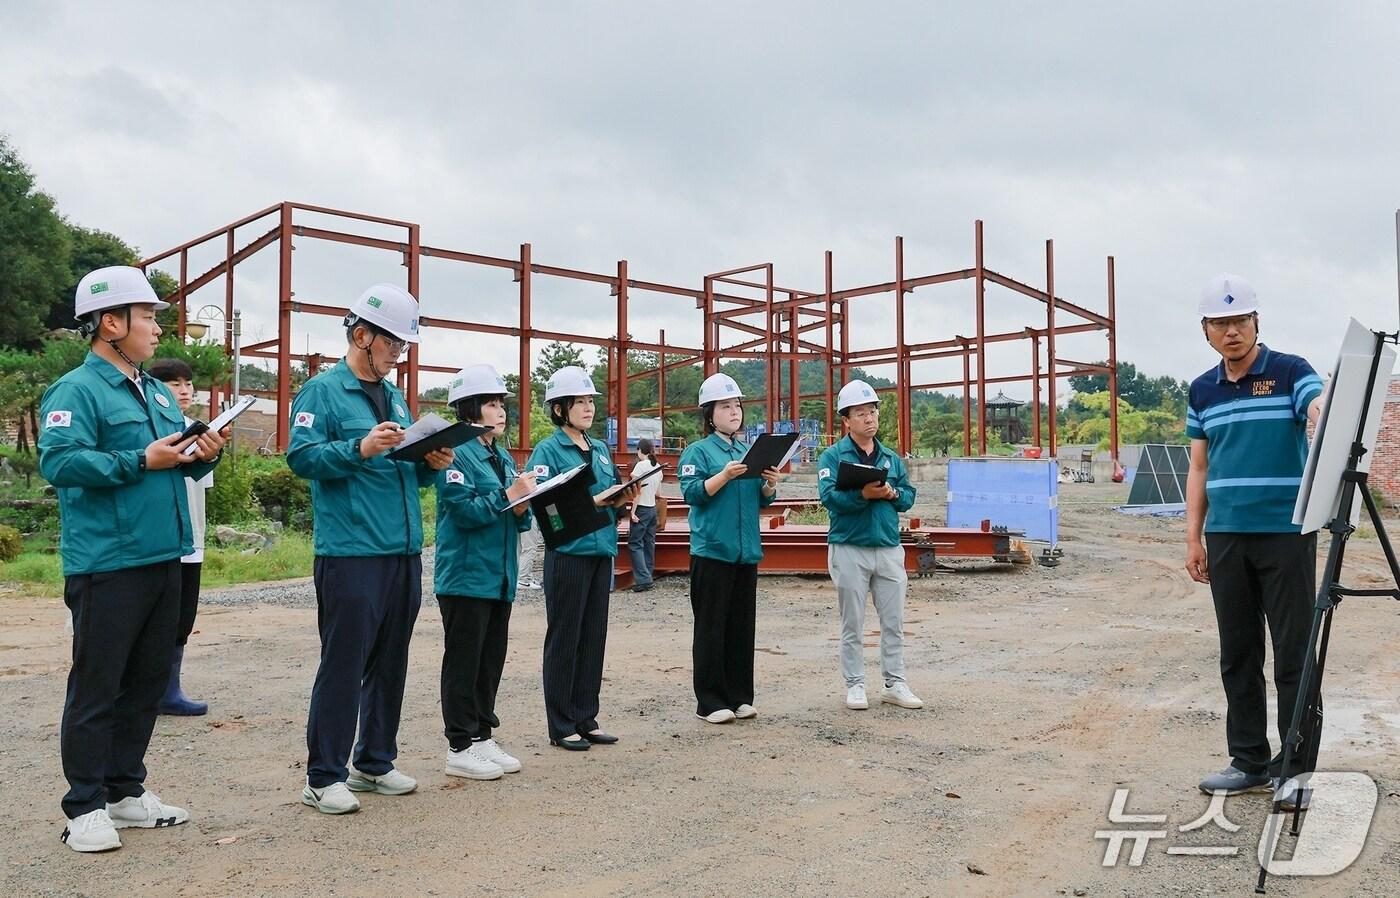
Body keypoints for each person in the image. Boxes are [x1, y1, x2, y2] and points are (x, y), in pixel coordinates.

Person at [40, 266, 227, 852]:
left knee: (146, 681)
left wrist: (201, 454)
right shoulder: (76, 390)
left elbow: (172, 459)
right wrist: (138, 462)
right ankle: (85, 807)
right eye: (146, 316)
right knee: (98, 685)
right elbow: (61, 464)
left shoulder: (150, 389)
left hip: (163, 556)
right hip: (107, 562)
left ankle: (125, 791)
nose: (154, 327)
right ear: (110, 322)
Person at [286, 284, 454, 815]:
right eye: (394, 344)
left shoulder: (396, 395)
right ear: (362, 335)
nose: (399, 354)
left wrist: (428, 464)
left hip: (401, 550)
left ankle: (375, 762)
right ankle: (323, 775)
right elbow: (302, 458)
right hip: (351, 550)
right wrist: (356, 448)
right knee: (344, 663)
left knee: (390, 661)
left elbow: (399, 470)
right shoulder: (321, 392)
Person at [1184, 274, 1325, 811]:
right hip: (1225, 537)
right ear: (1206, 331)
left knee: (1294, 652)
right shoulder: (1201, 389)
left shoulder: (1290, 371)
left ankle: (1294, 771)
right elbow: (1199, 466)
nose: (1232, 331)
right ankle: (1247, 761)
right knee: (1238, 653)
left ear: (1256, 322)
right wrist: (1192, 537)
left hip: (1285, 534)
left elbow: (1315, 404)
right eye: (1221, 323)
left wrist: (1319, 411)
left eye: (1241, 320)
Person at [525, 366, 638, 751]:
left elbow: (608, 498)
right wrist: (593, 502)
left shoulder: (601, 450)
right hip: (569, 553)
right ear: (559, 409)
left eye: (591, 401)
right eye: (580, 402)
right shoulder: (548, 450)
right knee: (565, 636)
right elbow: (543, 506)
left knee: (593, 637)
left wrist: (623, 500)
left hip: (600, 551)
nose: (588, 408)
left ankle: (586, 716)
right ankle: (561, 724)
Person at [434, 364, 537, 780]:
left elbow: (512, 519)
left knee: (490, 658)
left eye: (501, 404)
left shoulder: (500, 455)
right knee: (464, 660)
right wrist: (509, 494)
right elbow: (463, 512)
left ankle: (481, 734)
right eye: (492, 404)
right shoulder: (455, 453)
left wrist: (524, 505)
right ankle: (458, 743)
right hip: (465, 574)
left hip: (498, 575)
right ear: (470, 409)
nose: (501, 411)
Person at [677, 373, 784, 724]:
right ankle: (710, 701)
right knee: (711, 627)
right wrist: (723, 475)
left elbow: (759, 501)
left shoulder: (746, 450)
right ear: (710, 414)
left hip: (745, 550)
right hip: (712, 551)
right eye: (725, 406)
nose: (734, 411)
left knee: (741, 627)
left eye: (737, 405)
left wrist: (769, 485)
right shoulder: (698, 451)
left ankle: (739, 696)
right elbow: (692, 493)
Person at [816, 380, 922, 712]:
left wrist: (892, 494)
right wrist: (862, 496)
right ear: (846, 420)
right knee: (853, 621)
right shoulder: (832, 457)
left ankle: (895, 683)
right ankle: (856, 684)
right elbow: (828, 498)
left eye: (873, 411)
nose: (869, 418)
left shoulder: (890, 457)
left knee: (894, 621)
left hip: (888, 547)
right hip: (850, 546)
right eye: (860, 413)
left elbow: (908, 496)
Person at [147, 358, 212, 716]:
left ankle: (169, 690)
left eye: (188, 383)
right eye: (174, 384)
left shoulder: (195, 429)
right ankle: (144, 691)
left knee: (182, 618)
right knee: (152, 619)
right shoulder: (149, 430)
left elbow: (199, 485)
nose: (184, 390)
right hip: (159, 541)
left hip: (192, 539)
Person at [626, 437, 662, 592]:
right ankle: (648, 575)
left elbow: (637, 491)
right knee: (649, 543)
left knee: (635, 543)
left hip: (641, 508)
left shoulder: (640, 466)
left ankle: (642, 579)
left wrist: (632, 512)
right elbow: (659, 492)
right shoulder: (658, 466)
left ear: (640, 450)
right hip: (652, 509)